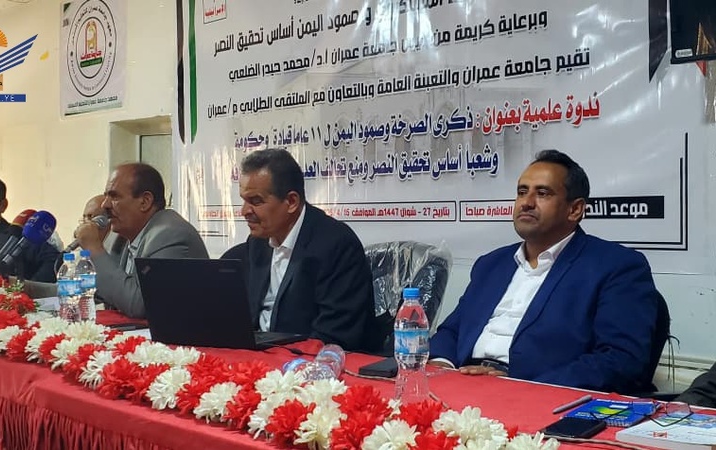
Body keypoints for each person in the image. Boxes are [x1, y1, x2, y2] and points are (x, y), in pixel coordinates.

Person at [429, 150, 659, 394]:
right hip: (464, 384)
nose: (526, 202)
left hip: (537, 395)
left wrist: (522, 384)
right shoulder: (491, 264)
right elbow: (452, 331)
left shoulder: (616, 266)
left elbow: (621, 360)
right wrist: (442, 366)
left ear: (575, 209)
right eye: (522, 192)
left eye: (542, 193)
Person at [239, 148, 375, 351]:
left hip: (310, 361)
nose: (244, 211)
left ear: (291, 202)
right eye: (243, 200)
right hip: (260, 357)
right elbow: (248, 318)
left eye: (256, 201)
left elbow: (334, 335)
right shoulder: (257, 243)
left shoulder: (337, 245)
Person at [74, 163, 208, 318]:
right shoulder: (121, 237)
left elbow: (138, 305)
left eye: (114, 196)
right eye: (106, 196)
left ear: (145, 202)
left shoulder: (170, 235)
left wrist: (94, 249)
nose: (105, 205)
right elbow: (103, 293)